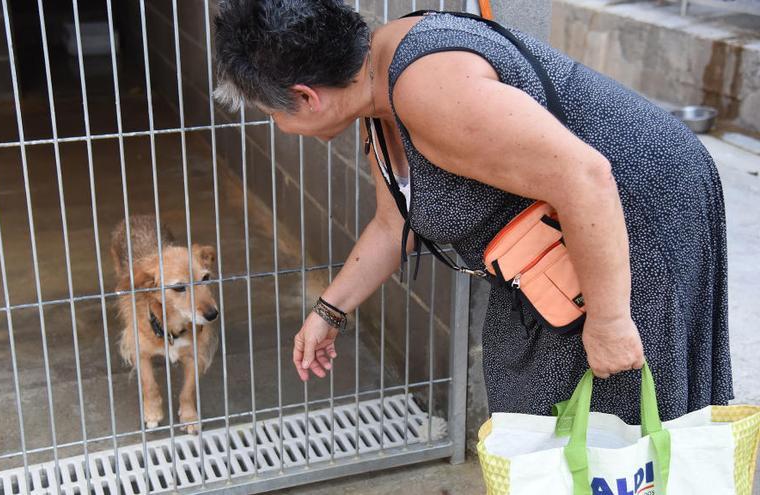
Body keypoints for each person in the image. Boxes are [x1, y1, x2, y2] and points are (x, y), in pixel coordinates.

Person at [212, 0, 732, 423]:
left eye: (272, 114)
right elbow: (397, 221)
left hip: (637, 214)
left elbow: (586, 178)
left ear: (306, 97)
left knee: (616, 416)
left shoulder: (429, 90)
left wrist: (611, 320)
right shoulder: (374, 84)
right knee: (533, 405)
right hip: (549, 246)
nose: (278, 127)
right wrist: (328, 312)